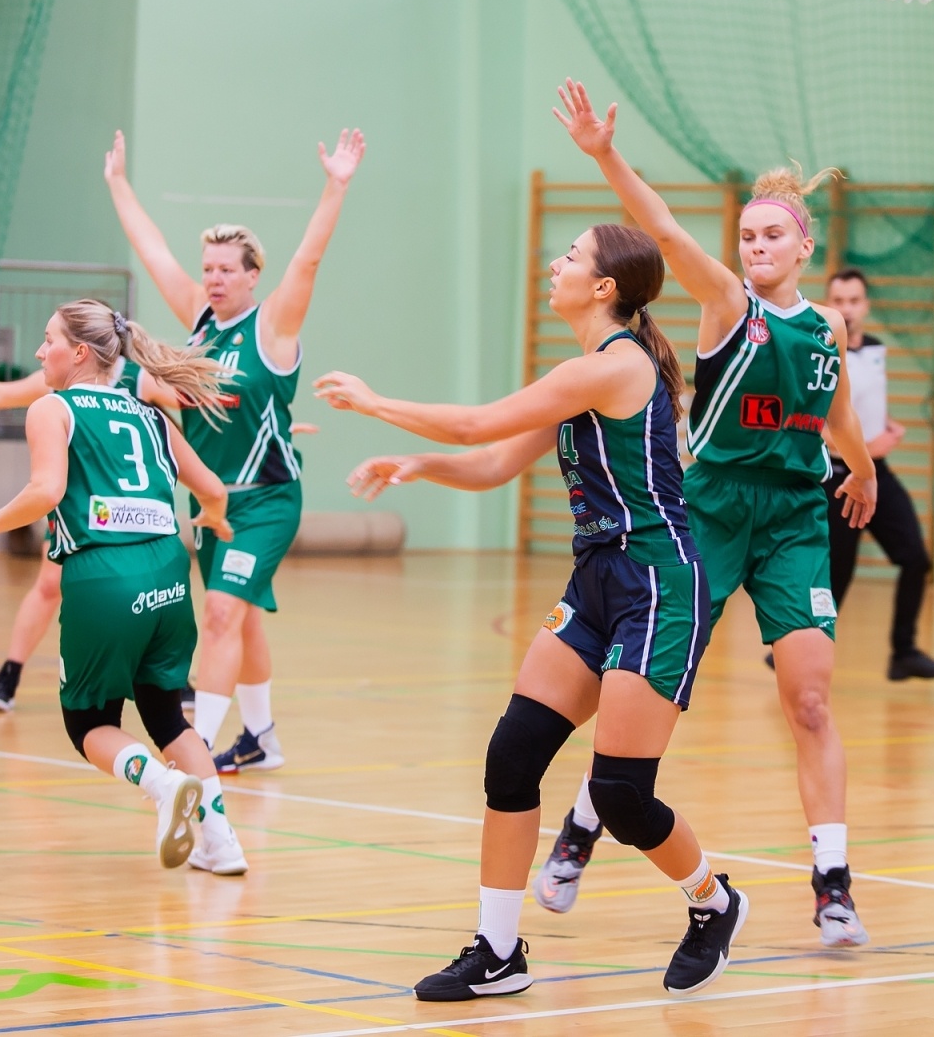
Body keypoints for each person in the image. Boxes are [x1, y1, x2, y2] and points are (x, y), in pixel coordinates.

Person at [316, 223, 746, 1000]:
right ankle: (499, 950)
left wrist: (378, 405)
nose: (557, 264)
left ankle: (713, 902)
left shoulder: (616, 366)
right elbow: (487, 461)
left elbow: (481, 422)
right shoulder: (585, 372)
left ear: (605, 286)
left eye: (572, 257)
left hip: (658, 588)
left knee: (620, 795)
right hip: (595, 583)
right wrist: (419, 464)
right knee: (512, 758)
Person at [549, 79, 878, 947]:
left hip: (795, 520)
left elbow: (833, 412)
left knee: (809, 699)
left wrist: (862, 465)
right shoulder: (728, 303)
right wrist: (604, 153)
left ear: (804, 246)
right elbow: (659, 229)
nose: (758, 244)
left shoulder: (825, 333)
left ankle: (833, 881)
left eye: (773, 234)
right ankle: (585, 820)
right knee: (646, 689)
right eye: (747, 235)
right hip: (709, 513)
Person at [0, 299, 247, 875]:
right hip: (168, 573)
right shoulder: (152, 417)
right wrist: (211, 516)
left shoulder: (52, 409)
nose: (40, 352)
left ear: (79, 352)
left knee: (88, 724)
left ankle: (162, 786)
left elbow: (46, 491)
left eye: (48, 341)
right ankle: (222, 844)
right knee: (167, 716)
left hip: (102, 575)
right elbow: (214, 489)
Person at [104, 127, 364, 774]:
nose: (214, 278)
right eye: (210, 268)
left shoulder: (273, 326)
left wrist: (336, 185)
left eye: (228, 269)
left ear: (253, 277)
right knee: (241, 622)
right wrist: (117, 185)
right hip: (211, 501)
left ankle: (194, 753)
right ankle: (262, 739)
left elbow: (307, 259)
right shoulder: (197, 318)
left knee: (220, 613)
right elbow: (153, 249)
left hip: (268, 500)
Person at [0, 371, 319, 713]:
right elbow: (0, 393)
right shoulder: (59, 383)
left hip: (131, 513)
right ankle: (10, 673)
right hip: (81, 508)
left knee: (144, 592)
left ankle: (164, 679)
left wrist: (270, 430)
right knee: (48, 587)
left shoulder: (140, 380)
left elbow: (204, 403)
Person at [822, 269, 934, 681]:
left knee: (916, 559)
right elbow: (815, 425)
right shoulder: (820, 354)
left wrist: (886, 426)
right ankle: (802, 645)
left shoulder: (876, 349)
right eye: (839, 301)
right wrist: (863, 450)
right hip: (840, 478)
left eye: (854, 301)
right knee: (836, 574)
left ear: (866, 305)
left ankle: (905, 652)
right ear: (828, 306)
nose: (847, 309)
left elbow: (865, 405)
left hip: (878, 474)